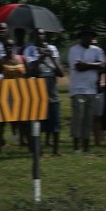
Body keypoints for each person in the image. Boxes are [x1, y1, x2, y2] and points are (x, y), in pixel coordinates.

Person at [25, 28, 64, 156]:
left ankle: (55, 149)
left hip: (52, 90)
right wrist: (40, 58)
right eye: (37, 35)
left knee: (55, 122)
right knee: (38, 123)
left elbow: (60, 73)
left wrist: (51, 57)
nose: (40, 37)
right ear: (33, 37)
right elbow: (30, 71)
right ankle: (39, 150)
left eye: (42, 34)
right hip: (37, 91)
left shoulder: (52, 49)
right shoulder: (29, 50)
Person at [68, 25, 105, 154]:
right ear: (82, 37)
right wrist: (94, 65)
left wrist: (87, 64)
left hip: (92, 89)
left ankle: (86, 146)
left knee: (88, 119)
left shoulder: (97, 50)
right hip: (78, 89)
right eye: (86, 36)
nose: (89, 38)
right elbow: (78, 66)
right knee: (78, 118)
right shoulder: (74, 50)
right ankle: (76, 146)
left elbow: (102, 65)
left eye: (91, 36)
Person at [0, 38, 26, 153]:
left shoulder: (21, 59)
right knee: (2, 121)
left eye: (10, 46)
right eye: (6, 46)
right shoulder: (2, 61)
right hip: (6, 94)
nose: (8, 48)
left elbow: (29, 73)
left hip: (20, 93)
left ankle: (22, 140)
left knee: (21, 119)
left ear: (14, 47)